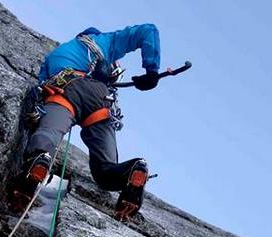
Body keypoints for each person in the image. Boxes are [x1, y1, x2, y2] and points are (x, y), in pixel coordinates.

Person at [12, 24, 162, 220]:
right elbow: (147, 30)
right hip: (100, 101)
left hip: (64, 90)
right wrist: (152, 71)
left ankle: (38, 162)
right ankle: (132, 170)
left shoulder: (58, 54)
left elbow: (41, 88)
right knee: (105, 171)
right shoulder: (104, 42)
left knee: (48, 135)